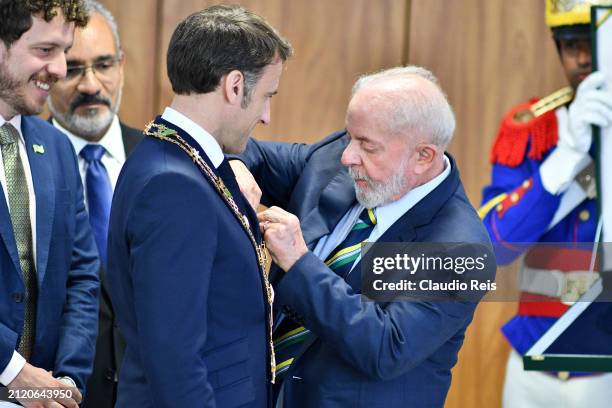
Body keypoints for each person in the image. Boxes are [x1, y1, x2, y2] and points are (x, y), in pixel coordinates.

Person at [232, 66, 493, 407]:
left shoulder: (459, 249)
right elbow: (252, 154)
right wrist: (236, 165)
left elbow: (385, 346)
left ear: (423, 156)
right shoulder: (339, 158)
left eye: (368, 146)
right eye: (349, 136)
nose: (347, 155)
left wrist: (298, 262)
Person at [106, 5, 292, 407]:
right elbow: (175, 359)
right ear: (235, 85)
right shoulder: (173, 184)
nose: (266, 116)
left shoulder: (182, 159)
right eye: (265, 97)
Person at [479, 0, 612, 406]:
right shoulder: (534, 128)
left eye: (593, 41)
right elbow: (496, 245)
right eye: (571, 44)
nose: (585, 57)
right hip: (532, 351)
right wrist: (566, 157)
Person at [0, 1, 99, 407]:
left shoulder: (56, 147)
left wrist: (65, 384)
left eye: (64, 51)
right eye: (45, 51)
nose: (60, 69)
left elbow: (81, 274)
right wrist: (12, 371)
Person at [46, 1, 142, 406]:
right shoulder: (18, 169)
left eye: (103, 65)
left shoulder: (166, 161)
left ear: (121, 65)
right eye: (72, 68)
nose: (90, 85)